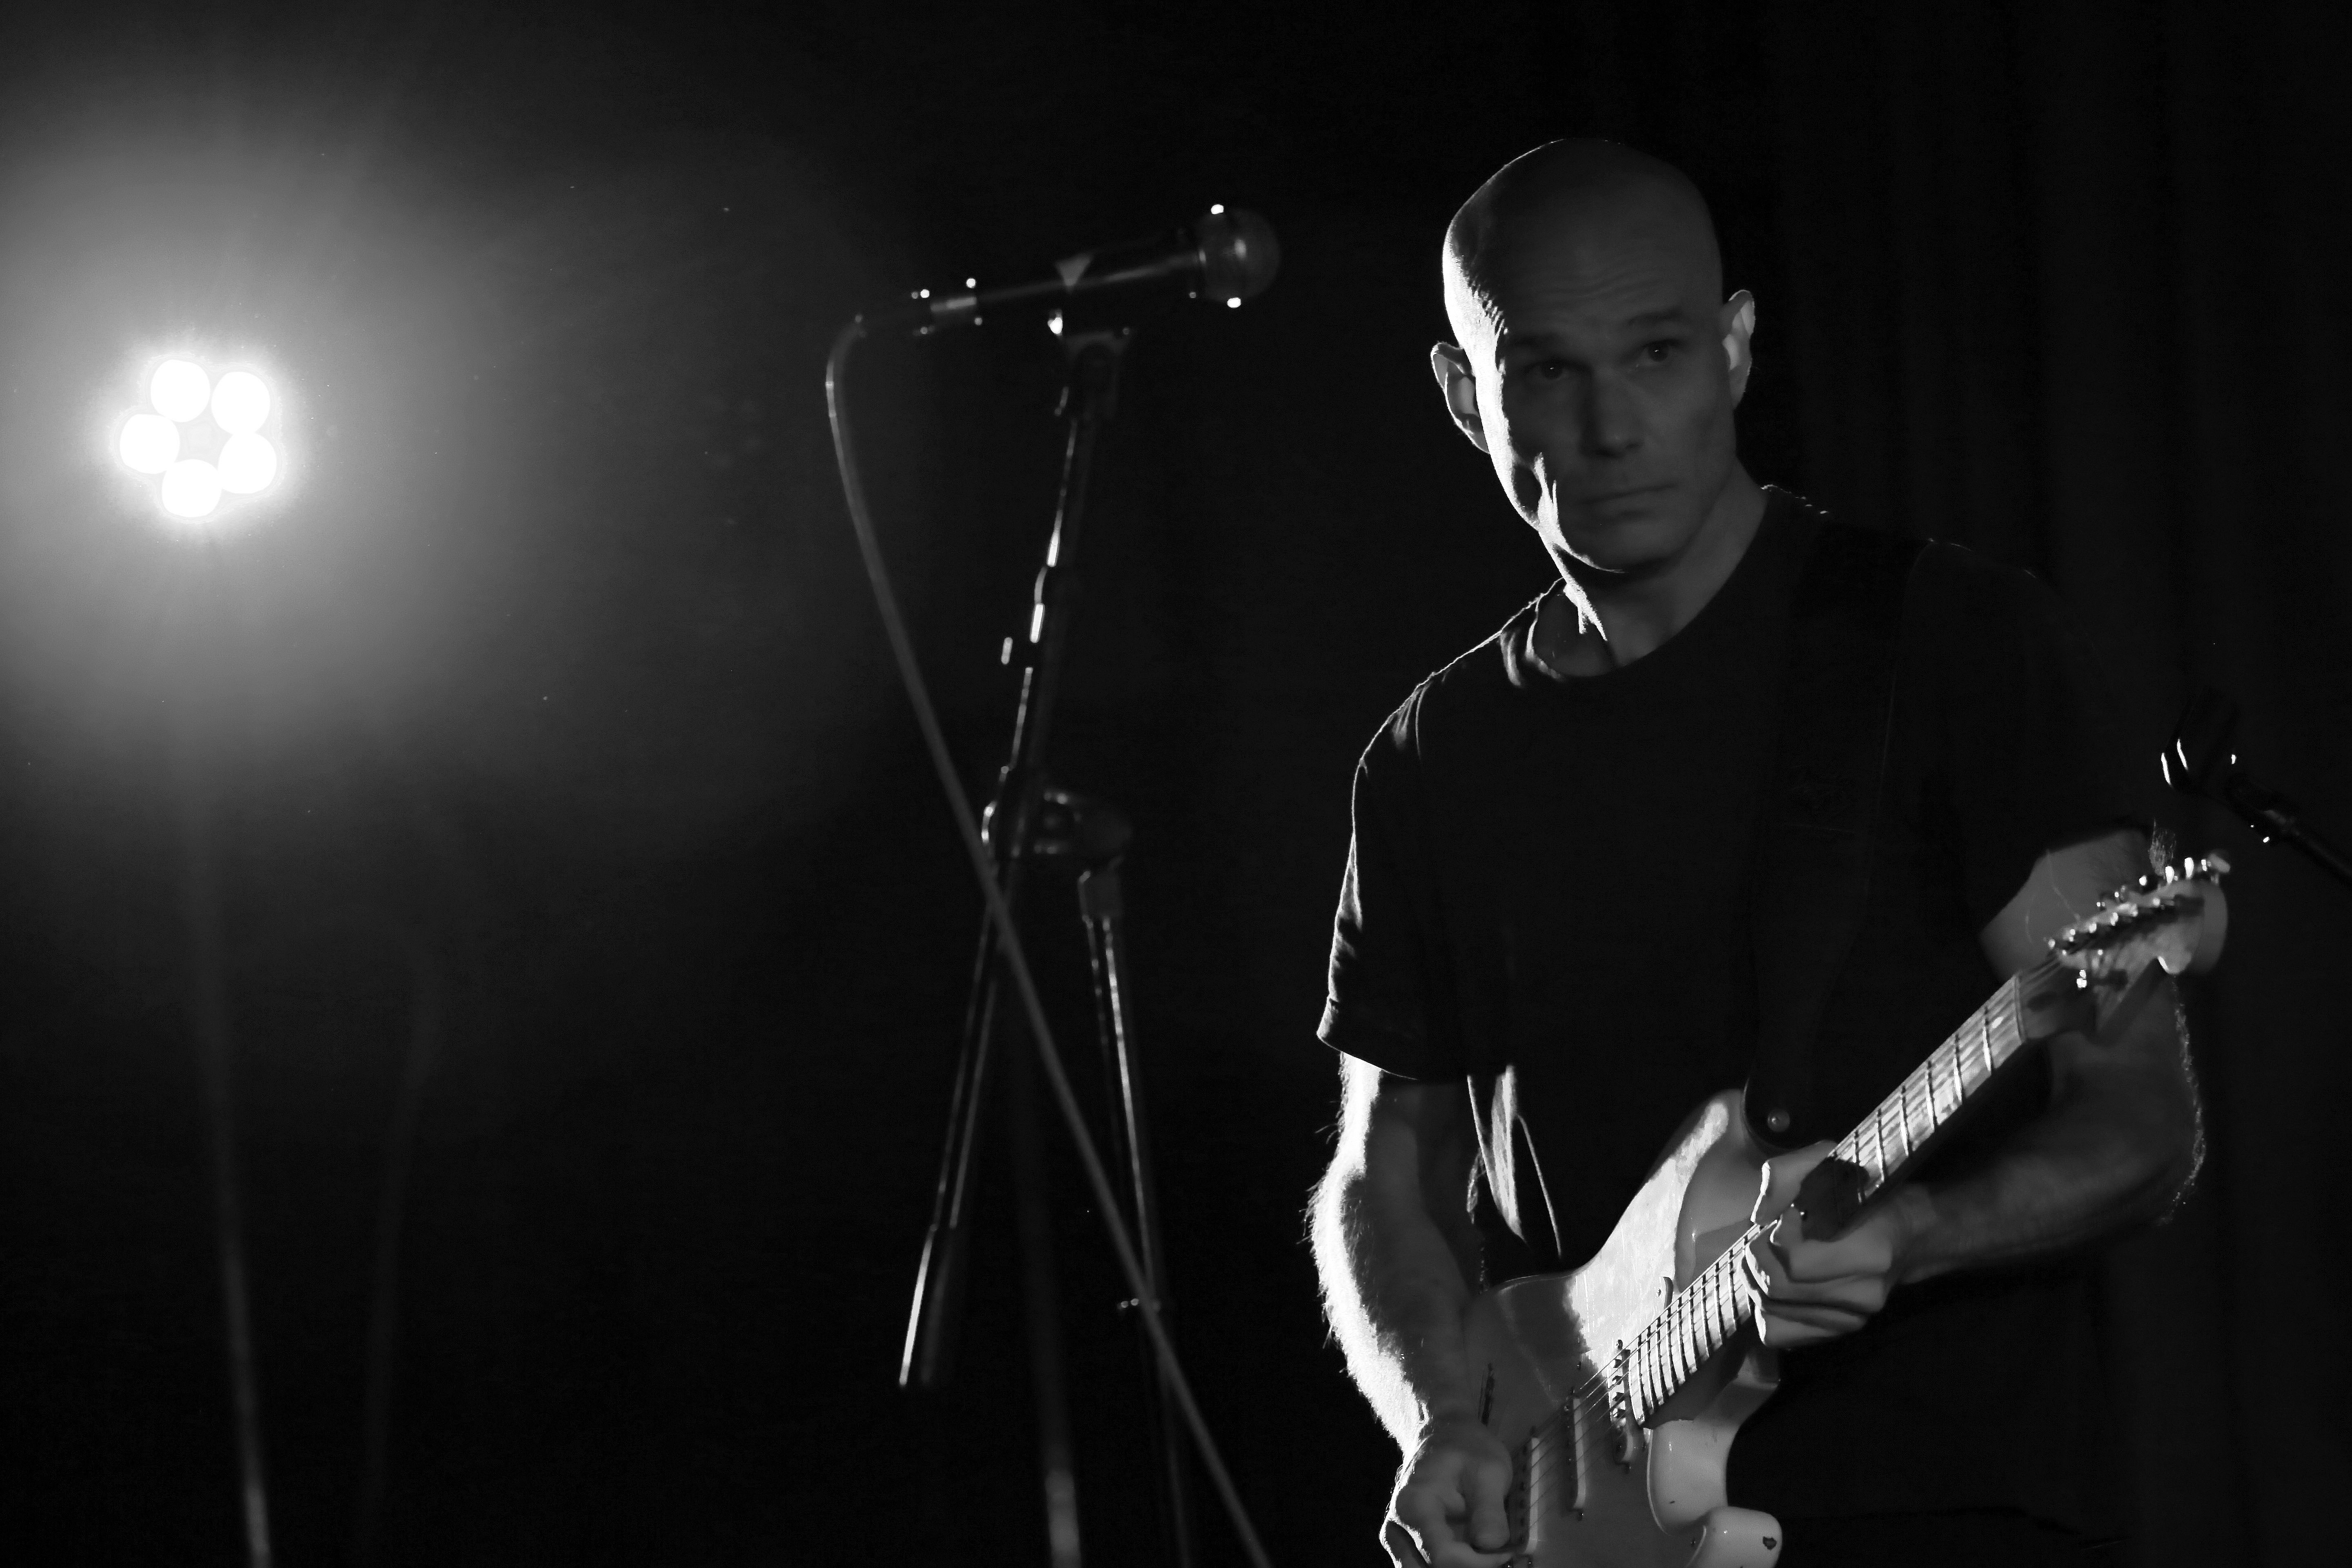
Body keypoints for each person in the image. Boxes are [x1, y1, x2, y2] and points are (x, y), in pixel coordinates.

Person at [1307, 139, 2202, 1568]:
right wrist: (1438, 1420)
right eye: (1545, 372)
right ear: (1465, 396)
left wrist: (1913, 1233)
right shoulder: (1431, 761)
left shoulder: (1942, 641)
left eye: (1655, 352)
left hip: (1939, 1506)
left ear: (1735, 349)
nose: (1608, 429)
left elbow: (2140, 1119)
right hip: (1588, 1516)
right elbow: (1385, 1176)